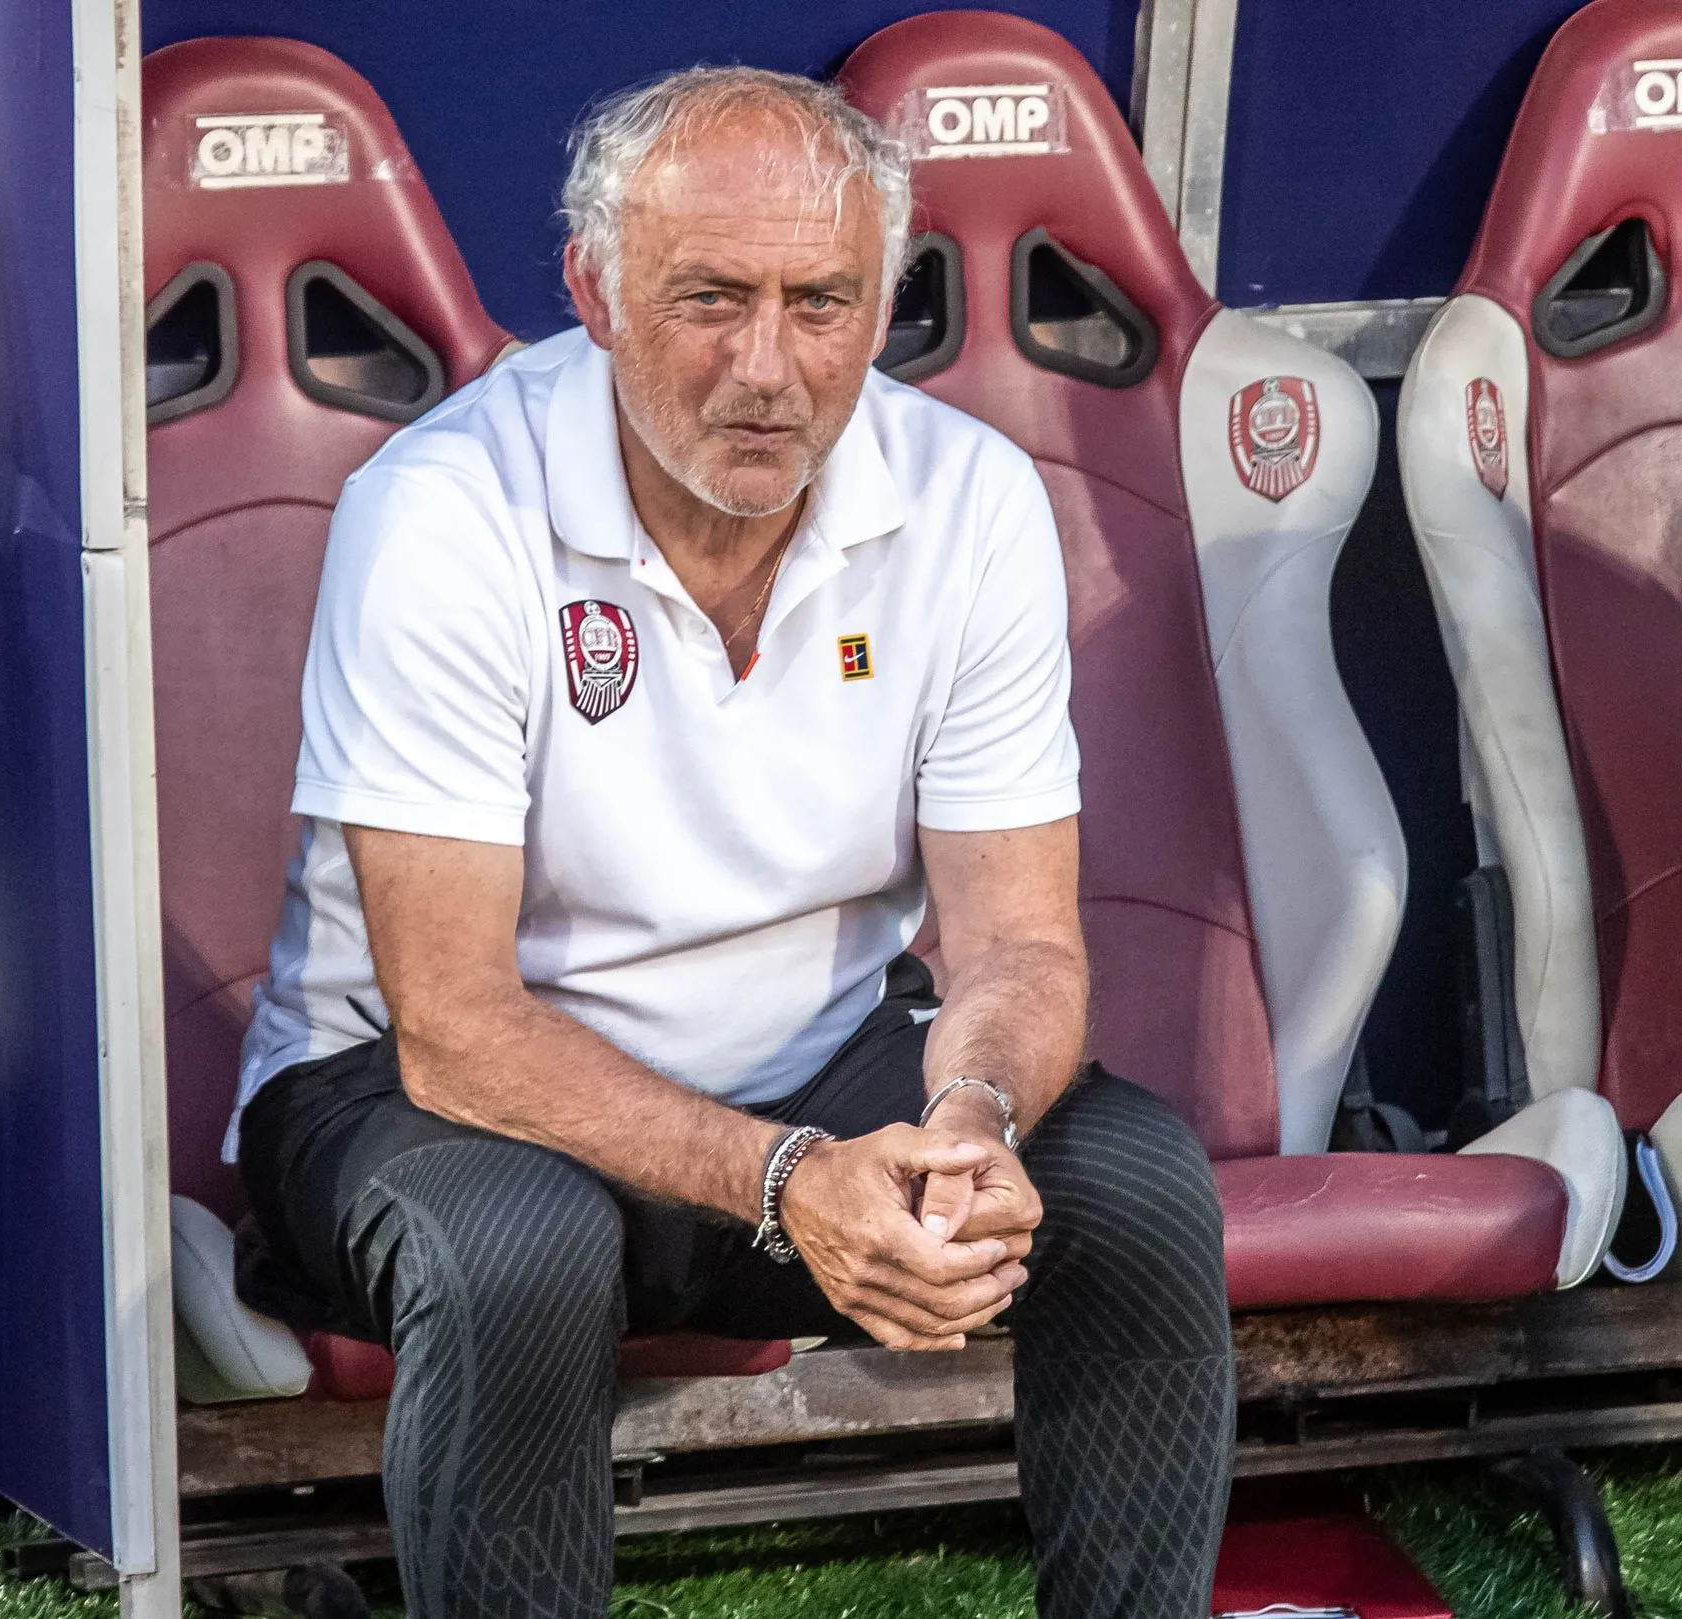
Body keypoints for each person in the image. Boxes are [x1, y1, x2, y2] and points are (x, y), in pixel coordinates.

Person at [228, 65, 1234, 1619]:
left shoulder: (971, 499)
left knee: (1134, 1181)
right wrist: (787, 1179)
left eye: (820, 302)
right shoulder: (441, 508)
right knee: (516, 1250)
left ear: (882, 304)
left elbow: (1021, 945)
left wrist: (969, 1122)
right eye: (709, 298)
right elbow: (454, 1022)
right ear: (595, 293)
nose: (767, 367)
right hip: (424, 1091)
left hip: (814, 1072)